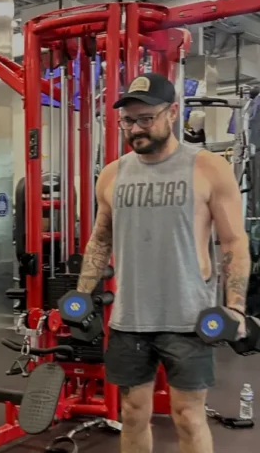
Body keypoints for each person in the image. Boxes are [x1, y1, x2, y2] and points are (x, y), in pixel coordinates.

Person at [77, 73, 250, 453]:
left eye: (145, 118)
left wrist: (235, 307)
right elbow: (100, 239)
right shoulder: (112, 174)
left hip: (188, 318)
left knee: (188, 416)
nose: (135, 129)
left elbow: (234, 241)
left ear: (172, 113)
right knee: (133, 411)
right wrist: (81, 295)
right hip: (130, 318)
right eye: (128, 120)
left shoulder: (207, 168)